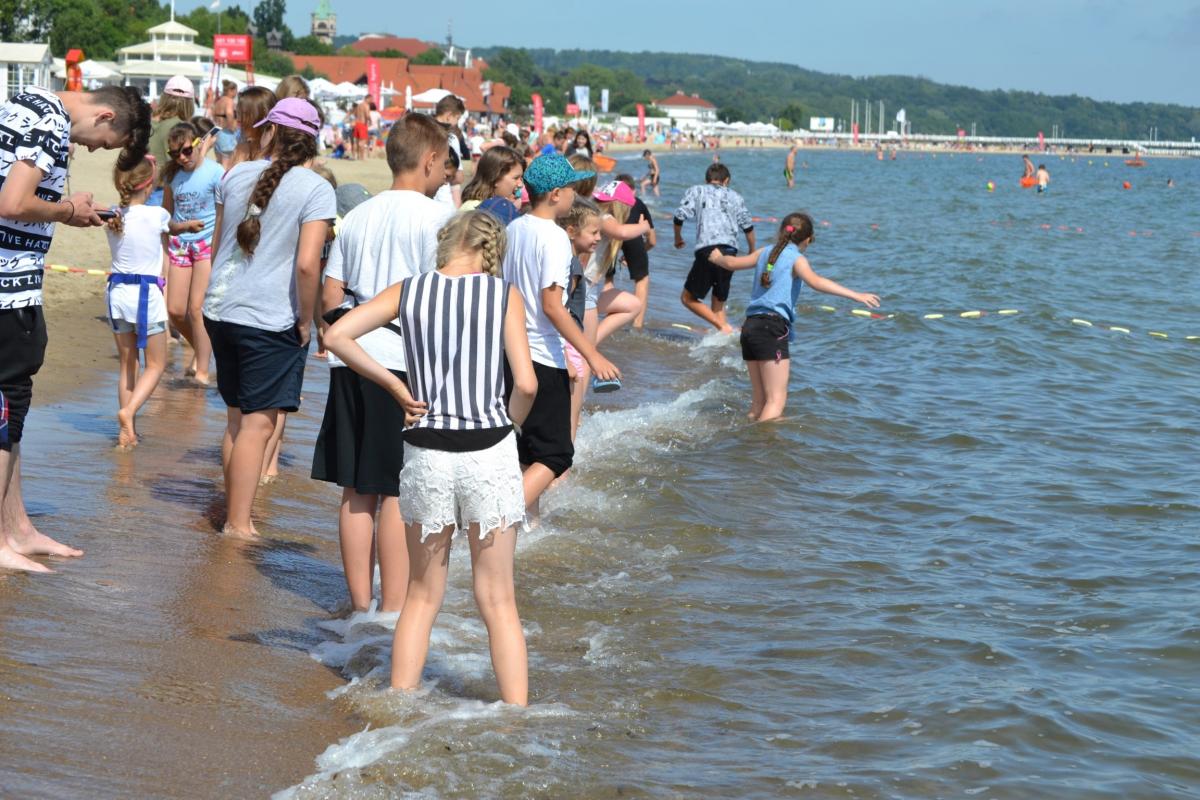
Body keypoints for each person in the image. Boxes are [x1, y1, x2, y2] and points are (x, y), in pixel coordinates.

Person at [324, 210, 537, 705]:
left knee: (420, 596)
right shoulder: (502, 294)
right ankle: (515, 718)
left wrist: (396, 387)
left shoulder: (409, 290)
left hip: (426, 449)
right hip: (488, 448)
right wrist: (511, 426)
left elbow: (335, 336)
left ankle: (397, 704)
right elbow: (526, 384)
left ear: (447, 243)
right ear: (489, 249)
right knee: (498, 600)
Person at [0, 83, 150, 572]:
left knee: (11, 408)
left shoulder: (27, 99)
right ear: (104, 116)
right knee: (7, 406)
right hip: (8, 289)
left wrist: (68, 208)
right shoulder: (51, 122)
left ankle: (17, 529)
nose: (90, 149)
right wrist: (69, 211)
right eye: (103, 143)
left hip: (11, 284)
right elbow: (12, 202)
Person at [312, 112, 453, 613]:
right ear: (430, 160)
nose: (446, 175)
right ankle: (392, 610)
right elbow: (443, 300)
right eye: (445, 165)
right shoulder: (438, 220)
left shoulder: (359, 215)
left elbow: (332, 294)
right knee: (397, 488)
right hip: (405, 363)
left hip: (351, 357)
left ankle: (359, 605)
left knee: (356, 488)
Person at [202, 98, 336, 538]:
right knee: (258, 425)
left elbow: (218, 245)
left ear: (272, 132)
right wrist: (307, 320)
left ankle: (233, 512)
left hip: (220, 309)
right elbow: (307, 265)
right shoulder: (316, 189)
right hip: (269, 318)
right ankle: (238, 524)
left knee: (237, 420)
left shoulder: (235, 174)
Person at [502, 153, 619, 511]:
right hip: (541, 355)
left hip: (508, 351)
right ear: (555, 194)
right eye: (570, 188)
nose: (574, 195)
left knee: (525, 453)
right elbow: (553, 306)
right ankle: (501, 515)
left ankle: (525, 526)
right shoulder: (552, 236)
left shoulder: (514, 228)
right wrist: (592, 354)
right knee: (556, 455)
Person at [709, 213, 879, 422]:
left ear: (782, 231)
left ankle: (746, 440)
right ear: (808, 239)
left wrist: (717, 258)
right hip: (771, 329)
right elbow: (816, 282)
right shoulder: (797, 259)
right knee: (775, 402)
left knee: (759, 402)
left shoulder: (764, 252)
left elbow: (732, 263)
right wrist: (856, 295)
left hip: (750, 328)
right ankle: (764, 442)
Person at [103, 155, 170, 448]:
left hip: (117, 295)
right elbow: (169, 241)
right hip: (146, 297)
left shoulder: (112, 216)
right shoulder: (158, 215)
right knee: (156, 365)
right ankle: (128, 412)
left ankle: (126, 433)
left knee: (127, 366)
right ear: (149, 184)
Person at [162, 122, 223, 385]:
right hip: (181, 245)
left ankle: (202, 372)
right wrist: (175, 231)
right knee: (175, 311)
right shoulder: (172, 177)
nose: (182, 158)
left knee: (197, 308)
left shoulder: (215, 173)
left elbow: (224, 212)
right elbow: (166, 217)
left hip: (206, 245)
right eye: (175, 154)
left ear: (199, 144)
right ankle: (202, 350)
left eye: (186, 150)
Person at [673, 162, 755, 333]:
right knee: (719, 302)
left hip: (708, 250)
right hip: (730, 252)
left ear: (707, 180)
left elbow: (679, 216)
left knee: (687, 298)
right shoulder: (736, 196)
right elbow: (748, 226)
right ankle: (725, 338)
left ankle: (723, 327)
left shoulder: (697, 190)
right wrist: (752, 251)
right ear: (727, 180)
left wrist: (678, 237)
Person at [146, 76, 196, 205]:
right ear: (189, 103)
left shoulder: (147, 121)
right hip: (166, 189)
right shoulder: (180, 127)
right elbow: (185, 163)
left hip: (143, 186)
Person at [615, 173, 655, 329]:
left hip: (609, 232)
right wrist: (632, 255)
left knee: (607, 279)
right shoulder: (637, 203)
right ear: (633, 191)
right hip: (632, 234)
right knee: (642, 280)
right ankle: (637, 324)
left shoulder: (609, 202)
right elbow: (652, 241)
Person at [457, 145, 524, 212]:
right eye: (516, 178)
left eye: (521, 178)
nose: (520, 184)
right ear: (496, 178)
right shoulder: (475, 210)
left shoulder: (501, 205)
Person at [228, 87, 276, 170]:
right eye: (237, 113)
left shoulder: (279, 154)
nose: (238, 119)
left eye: (245, 114)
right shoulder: (242, 149)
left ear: (261, 116)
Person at [211, 80, 239, 168]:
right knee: (228, 163)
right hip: (227, 133)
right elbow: (229, 114)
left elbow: (213, 114)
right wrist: (232, 127)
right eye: (236, 90)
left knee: (219, 161)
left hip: (217, 131)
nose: (236, 93)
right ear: (231, 90)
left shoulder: (219, 101)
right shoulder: (229, 101)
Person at [352, 96, 370, 161]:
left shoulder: (358, 106)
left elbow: (355, 114)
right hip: (362, 124)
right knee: (362, 142)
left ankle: (355, 156)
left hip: (357, 123)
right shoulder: (366, 105)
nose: (371, 101)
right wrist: (370, 121)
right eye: (371, 99)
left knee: (356, 141)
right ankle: (362, 157)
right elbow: (367, 115)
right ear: (367, 99)